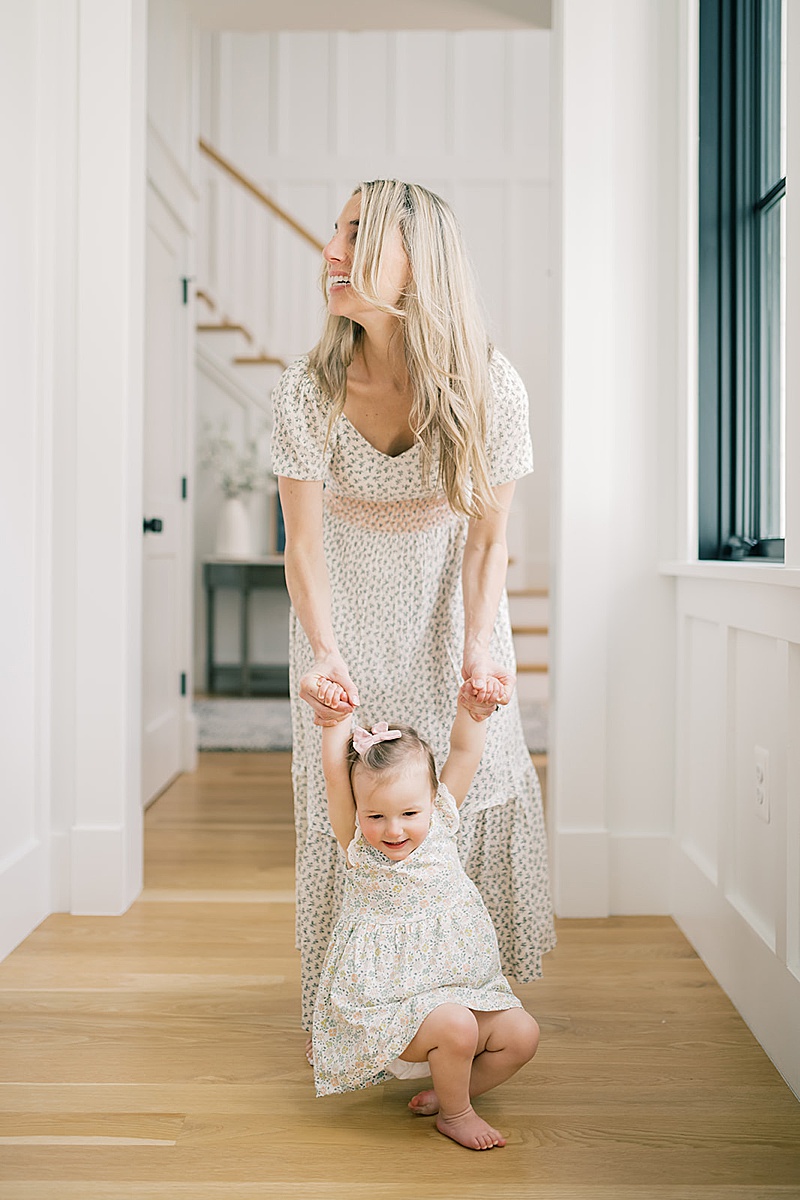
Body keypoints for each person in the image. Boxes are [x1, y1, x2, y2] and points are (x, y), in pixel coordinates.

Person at [270, 179, 556, 1035]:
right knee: (360, 808)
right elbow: (304, 546)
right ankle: (366, 1007)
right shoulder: (307, 389)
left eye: (355, 234)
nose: (330, 250)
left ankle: (466, 1006)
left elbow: (486, 543)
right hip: (343, 621)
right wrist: (323, 652)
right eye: (333, 231)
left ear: (416, 260)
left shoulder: (490, 388)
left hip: (449, 613)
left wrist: (479, 647)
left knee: (469, 786)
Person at [313, 682, 540, 1151]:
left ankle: (448, 1092)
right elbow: (337, 779)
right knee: (456, 1023)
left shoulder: (440, 823)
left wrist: (473, 711)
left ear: (433, 800)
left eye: (409, 813)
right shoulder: (359, 848)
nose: (392, 830)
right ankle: (458, 1115)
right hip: (392, 1008)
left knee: (522, 1034)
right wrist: (335, 725)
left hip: (461, 991)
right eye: (375, 816)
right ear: (358, 814)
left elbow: (462, 750)